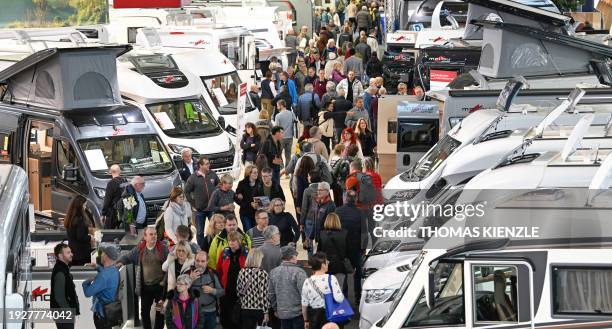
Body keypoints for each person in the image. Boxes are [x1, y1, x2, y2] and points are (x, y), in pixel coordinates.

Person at [117, 226, 169, 329]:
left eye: (155, 234)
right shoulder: (140, 249)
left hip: (160, 287)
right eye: (151, 234)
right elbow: (128, 256)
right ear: (145, 237)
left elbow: (169, 267)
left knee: (160, 312)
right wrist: (119, 263)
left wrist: (166, 281)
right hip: (145, 287)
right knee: (144, 312)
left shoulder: (163, 248)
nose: (154, 236)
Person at [301, 253, 344, 329]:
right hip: (331, 316)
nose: (328, 264)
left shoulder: (307, 281)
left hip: (314, 318)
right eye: (327, 262)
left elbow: (304, 304)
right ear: (322, 265)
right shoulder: (331, 279)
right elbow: (339, 299)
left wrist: (306, 320)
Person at [269, 244, 308, 329]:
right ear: (293, 257)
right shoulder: (299, 272)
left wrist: (276, 309)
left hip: (282, 313)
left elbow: (271, 294)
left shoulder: (273, 272)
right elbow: (305, 294)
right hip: (298, 313)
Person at [82, 243, 121, 329]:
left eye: (102, 253)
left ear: (106, 256)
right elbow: (107, 274)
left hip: (102, 315)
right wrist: (97, 267)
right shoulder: (115, 270)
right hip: (110, 312)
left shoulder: (103, 276)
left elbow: (88, 293)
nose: (101, 255)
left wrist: (86, 282)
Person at [185, 157, 220, 247]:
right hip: (199, 210)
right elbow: (186, 191)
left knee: (215, 230)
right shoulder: (193, 177)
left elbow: (219, 186)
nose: (209, 165)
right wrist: (193, 204)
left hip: (212, 209)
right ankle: (201, 250)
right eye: (206, 164)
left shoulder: (213, 174)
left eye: (209, 163)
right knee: (200, 232)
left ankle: (214, 247)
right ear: (200, 165)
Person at [335, 191, 364, 300]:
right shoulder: (360, 212)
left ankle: (344, 297)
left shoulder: (337, 211)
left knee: (343, 273)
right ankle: (358, 296)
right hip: (356, 247)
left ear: (345, 199)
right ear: (355, 199)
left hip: (341, 247)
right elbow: (365, 231)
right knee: (358, 272)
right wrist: (363, 248)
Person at [217, 231, 249, 329]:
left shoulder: (246, 253)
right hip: (227, 290)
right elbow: (219, 269)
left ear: (239, 241)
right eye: (229, 240)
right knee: (226, 315)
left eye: (234, 240)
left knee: (240, 316)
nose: (231, 243)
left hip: (242, 291)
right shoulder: (224, 252)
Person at [190, 251, 225, 329]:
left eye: (203, 261)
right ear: (194, 260)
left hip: (210, 313)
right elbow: (179, 292)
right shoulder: (188, 273)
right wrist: (190, 280)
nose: (199, 264)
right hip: (193, 313)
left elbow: (222, 292)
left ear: (207, 262)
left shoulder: (213, 274)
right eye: (197, 260)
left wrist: (212, 290)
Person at [236, 248, 270, 329]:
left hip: (245, 309)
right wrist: (266, 312)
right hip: (259, 310)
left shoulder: (241, 272)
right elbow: (263, 294)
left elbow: (238, 292)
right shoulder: (262, 273)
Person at [317, 213, 349, 288]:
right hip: (340, 266)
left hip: (326, 267)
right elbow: (349, 251)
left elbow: (319, 252)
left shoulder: (322, 234)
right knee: (340, 290)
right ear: (338, 221)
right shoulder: (345, 233)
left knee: (326, 291)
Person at [51, 243, 79, 329]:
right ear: (60, 255)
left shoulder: (64, 268)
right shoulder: (60, 272)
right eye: (68, 252)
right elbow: (59, 298)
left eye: (70, 252)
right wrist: (69, 312)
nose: (71, 254)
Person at [64, 195, 93, 266]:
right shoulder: (80, 219)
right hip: (81, 254)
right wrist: (90, 237)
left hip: (72, 252)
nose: (85, 207)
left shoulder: (70, 217)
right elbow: (81, 237)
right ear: (80, 206)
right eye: (84, 205)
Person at [236, 165, 260, 232]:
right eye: (254, 172)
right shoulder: (242, 184)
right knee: (249, 233)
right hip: (245, 213)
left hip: (257, 213)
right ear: (249, 173)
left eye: (257, 172)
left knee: (257, 233)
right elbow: (237, 199)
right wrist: (249, 204)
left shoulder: (260, 183)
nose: (257, 174)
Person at [101, 164, 126, 229]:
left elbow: (107, 200)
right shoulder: (125, 181)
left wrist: (103, 214)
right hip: (124, 212)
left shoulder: (111, 183)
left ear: (111, 172)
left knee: (108, 233)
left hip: (113, 212)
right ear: (119, 171)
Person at [274, 99, 297, 164]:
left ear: (281, 105)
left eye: (277, 106)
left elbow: (276, 128)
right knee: (288, 155)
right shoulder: (291, 113)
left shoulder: (278, 116)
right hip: (290, 137)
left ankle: (281, 169)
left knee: (279, 154)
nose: (277, 107)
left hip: (281, 138)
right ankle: (287, 171)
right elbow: (295, 122)